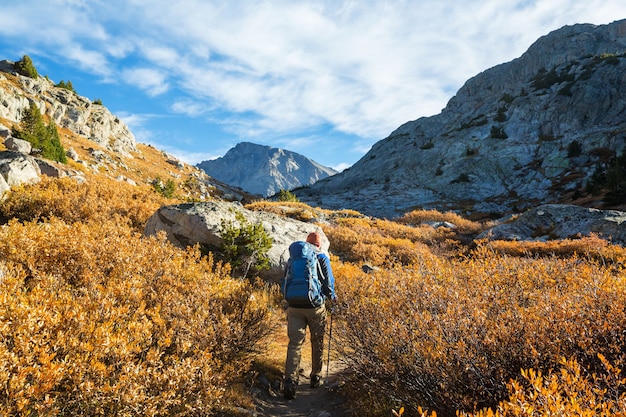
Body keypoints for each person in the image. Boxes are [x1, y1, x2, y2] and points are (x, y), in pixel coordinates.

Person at [282, 231, 336, 400]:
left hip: (294, 306)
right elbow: (328, 282)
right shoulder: (320, 257)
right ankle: (316, 376)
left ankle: (290, 380)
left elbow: (284, 280)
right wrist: (332, 296)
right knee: (317, 340)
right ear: (319, 245)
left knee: (295, 343)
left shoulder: (294, 259)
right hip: (315, 305)